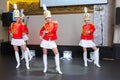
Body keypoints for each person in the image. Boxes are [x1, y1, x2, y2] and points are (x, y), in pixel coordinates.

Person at [39, 4, 62, 74]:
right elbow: (41, 31)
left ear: (51, 17)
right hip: (45, 40)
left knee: (56, 53)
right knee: (44, 53)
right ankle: (45, 67)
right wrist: (40, 35)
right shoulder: (44, 25)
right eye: (46, 18)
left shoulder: (55, 23)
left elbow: (55, 30)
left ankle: (58, 68)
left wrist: (48, 31)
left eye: (49, 18)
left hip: (51, 40)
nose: (48, 19)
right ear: (45, 19)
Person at [8, 4, 30, 69]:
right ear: (14, 18)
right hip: (14, 39)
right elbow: (9, 30)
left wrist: (24, 33)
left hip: (20, 39)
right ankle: (18, 63)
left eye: (18, 17)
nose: (17, 18)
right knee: (16, 51)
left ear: (20, 18)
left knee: (25, 50)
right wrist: (10, 33)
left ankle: (27, 64)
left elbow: (26, 31)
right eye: (16, 17)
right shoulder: (12, 24)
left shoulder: (22, 24)